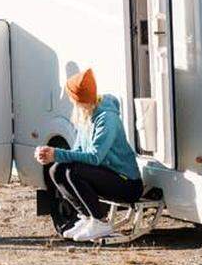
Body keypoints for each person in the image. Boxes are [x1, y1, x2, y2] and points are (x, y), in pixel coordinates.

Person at [34, 68, 142, 242]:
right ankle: (87, 217)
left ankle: (99, 221)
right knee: (56, 170)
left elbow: (95, 157)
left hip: (127, 184)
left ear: (78, 98)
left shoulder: (107, 118)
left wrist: (57, 153)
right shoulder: (87, 115)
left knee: (73, 171)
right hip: (108, 176)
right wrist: (52, 153)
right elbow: (78, 151)